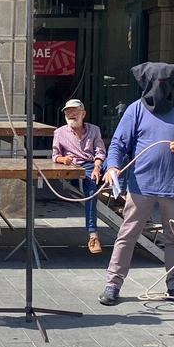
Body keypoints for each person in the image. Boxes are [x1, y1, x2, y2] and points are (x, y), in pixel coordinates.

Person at [99, 62, 174, 306]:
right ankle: (113, 285)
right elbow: (118, 144)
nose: (161, 88)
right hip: (140, 186)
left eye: (165, 84)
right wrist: (112, 166)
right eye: (157, 84)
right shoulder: (135, 109)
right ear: (147, 85)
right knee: (127, 234)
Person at [52, 98, 107, 254]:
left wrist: (97, 167)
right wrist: (63, 159)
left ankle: (123, 193)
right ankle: (93, 235)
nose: (71, 114)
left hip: (94, 163)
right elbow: (55, 155)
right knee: (91, 191)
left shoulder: (94, 130)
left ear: (83, 114)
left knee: (119, 160)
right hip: (75, 166)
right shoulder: (59, 132)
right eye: (68, 112)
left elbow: (100, 151)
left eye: (74, 111)